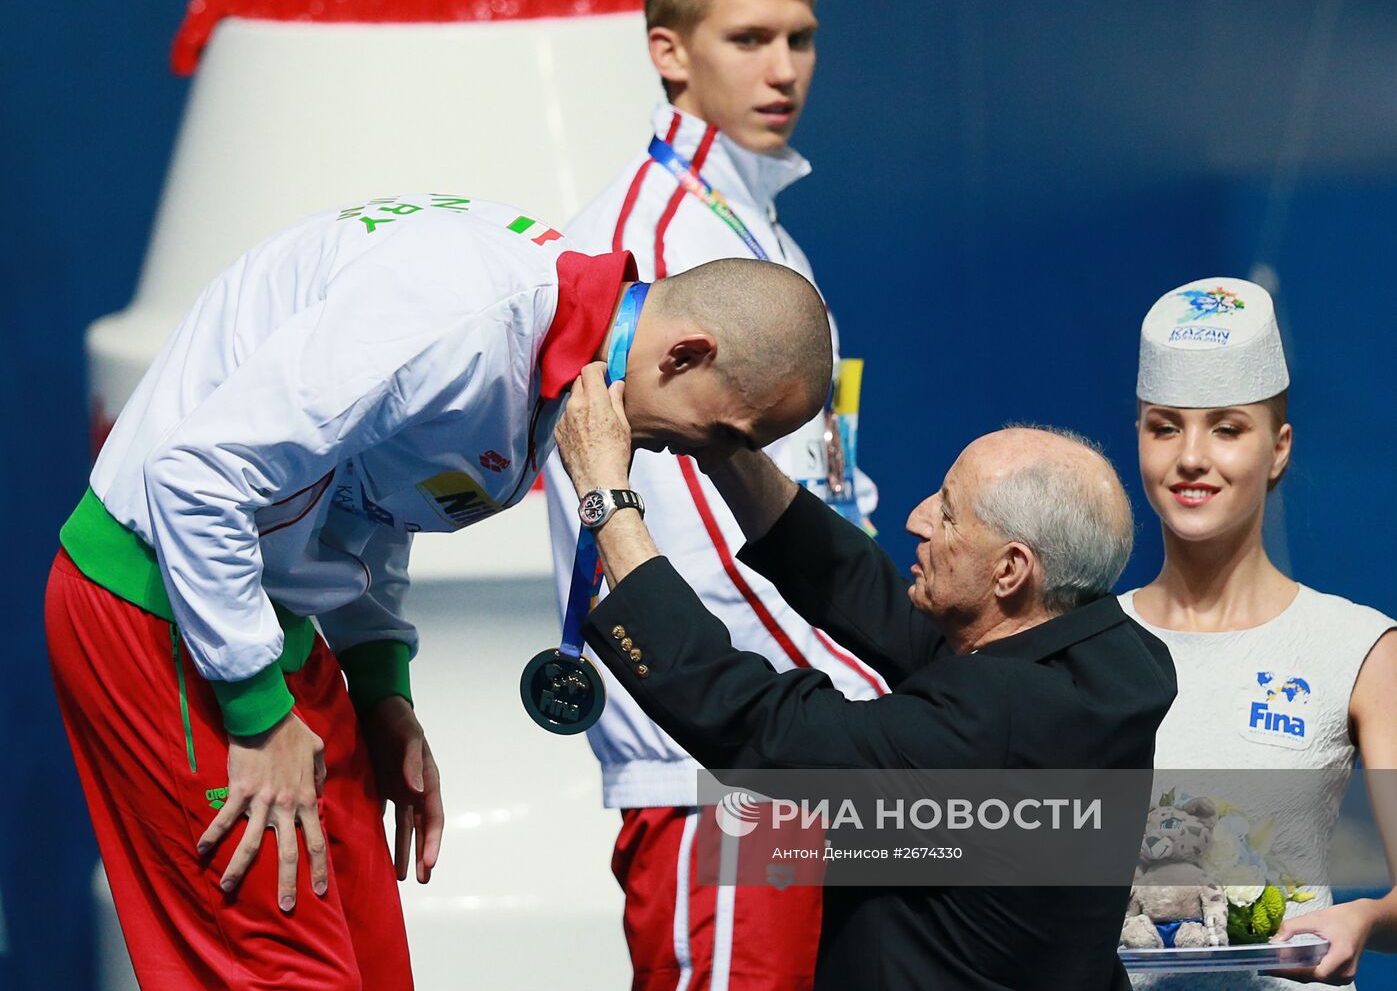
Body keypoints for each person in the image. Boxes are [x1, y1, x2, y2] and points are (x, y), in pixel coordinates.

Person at [43, 193, 833, 991]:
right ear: (685, 353)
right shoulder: (462, 316)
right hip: (168, 610)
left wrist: (380, 687)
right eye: (726, 433)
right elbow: (196, 476)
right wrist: (255, 711)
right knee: (285, 974)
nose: (701, 455)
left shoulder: (559, 337)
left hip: (264, 620)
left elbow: (368, 481)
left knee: (376, 969)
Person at [547, 362, 1178, 990]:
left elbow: (753, 724)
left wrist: (607, 497)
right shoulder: (1100, 654)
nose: (918, 518)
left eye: (950, 514)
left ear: (1010, 572)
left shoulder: (990, 726)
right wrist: (722, 447)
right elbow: (864, 591)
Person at [542, 0, 883, 984]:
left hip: (793, 741)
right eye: (748, 40)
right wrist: (860, 718)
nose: (782, 69)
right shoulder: (652, 242)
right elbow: (688, 544)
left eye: (800, 39)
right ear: (668, 51)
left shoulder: (748, 222)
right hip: (725, 767)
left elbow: (815, 489)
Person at [1118, 277, 1397, 988]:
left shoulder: (1357, 649)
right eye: (1163, 426)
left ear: (1277, 450)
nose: (1189, 457)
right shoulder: (1087, 641)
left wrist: (1360, 919)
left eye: (1226, 428)